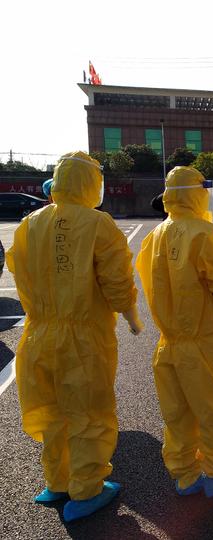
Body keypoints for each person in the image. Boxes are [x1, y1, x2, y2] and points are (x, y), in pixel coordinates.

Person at [7, 151, 142, 522]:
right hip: (82, 338)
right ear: (90, 184)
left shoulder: (30, 223)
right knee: (88, 414)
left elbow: (18, 270)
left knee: (52, 414)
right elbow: (117, 282)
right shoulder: (98, 224)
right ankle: (87, 489)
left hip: (37, 335)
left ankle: (57, 481)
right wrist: (131, 317)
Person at [136, 166, 213, 497]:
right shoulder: (204, 233)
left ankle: (184, 473)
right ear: (199, 193)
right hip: (205, 341)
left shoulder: (155, 236)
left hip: (169, 342)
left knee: (178, 413)